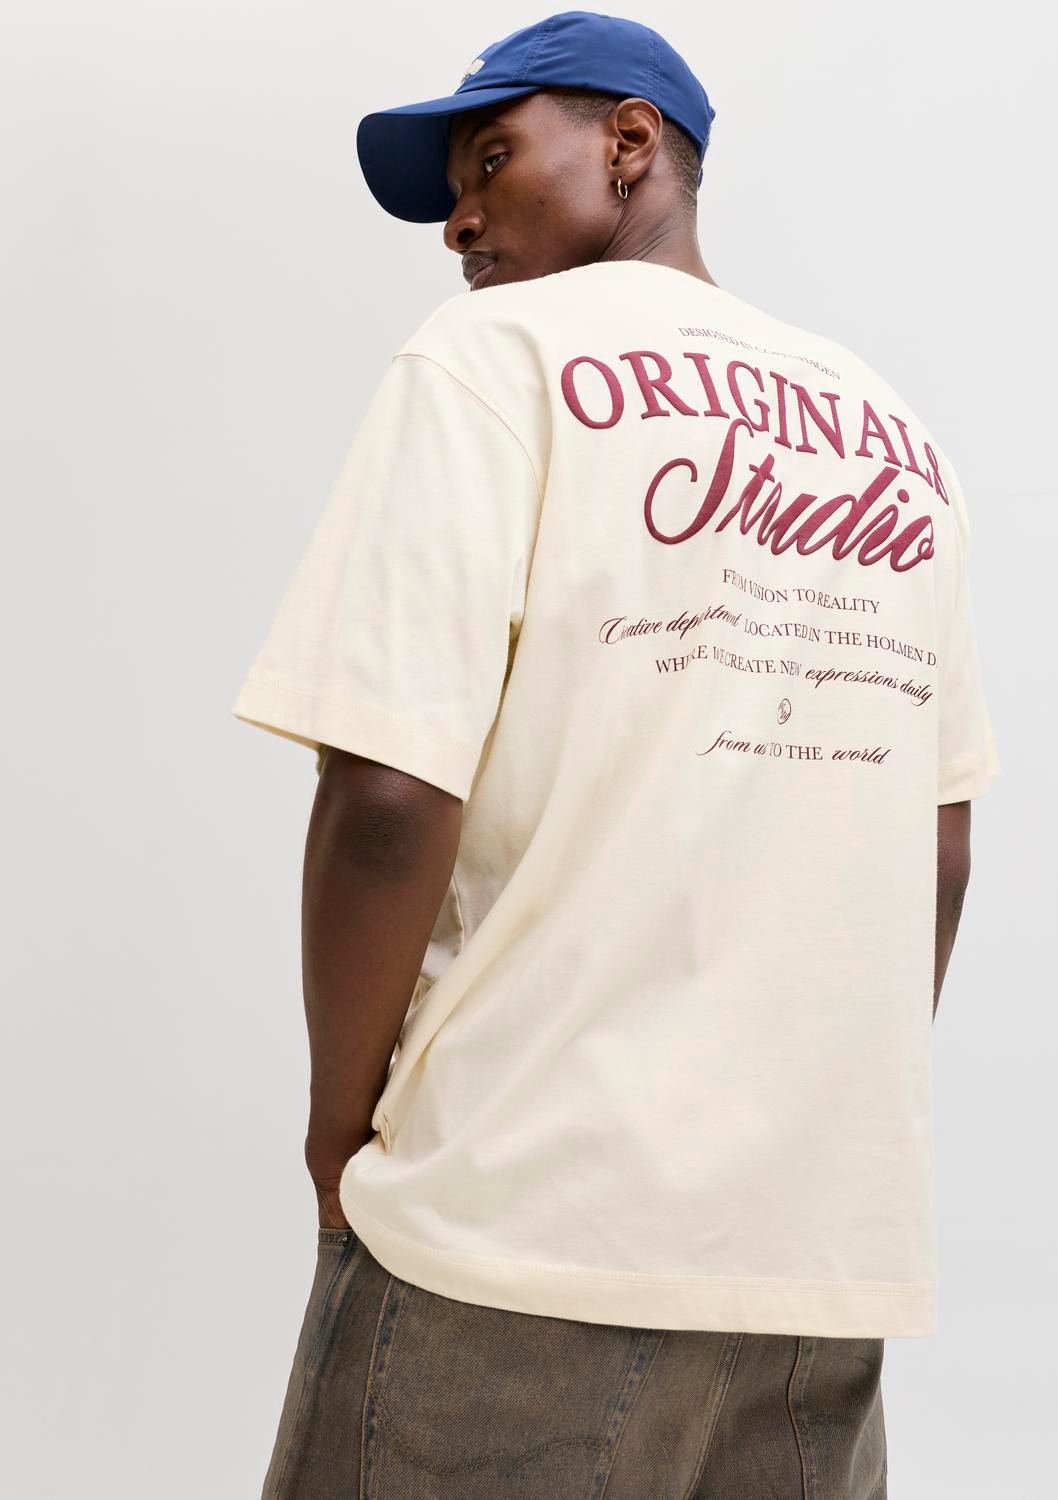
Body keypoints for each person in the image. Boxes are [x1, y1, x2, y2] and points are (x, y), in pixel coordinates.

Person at [231, 11, 1000, 1497]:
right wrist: (800, 1120)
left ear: (631, 144)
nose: (458, 220)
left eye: (490, 160)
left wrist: (338, 1137)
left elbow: (388, 792)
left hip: (517, 1229)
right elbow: (940, 846)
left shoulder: (493, 359)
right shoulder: (894, 437)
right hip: (809, 1273)